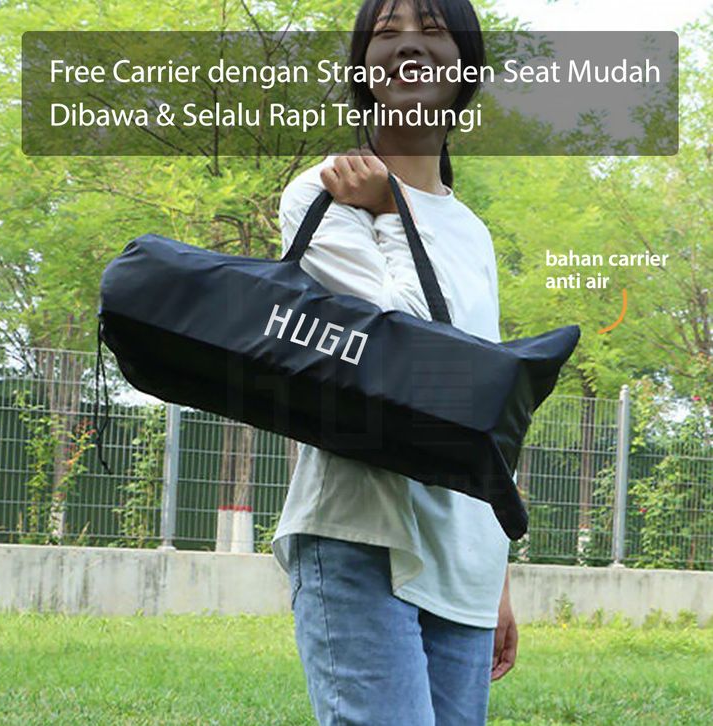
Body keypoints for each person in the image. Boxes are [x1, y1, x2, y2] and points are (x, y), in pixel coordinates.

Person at [271, 1, 518, 723]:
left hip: (464, 564)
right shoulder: (323, 193)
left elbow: (480, 402)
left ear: (466, 66)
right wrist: (386, 209)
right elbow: (401, 345)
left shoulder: (473, 233)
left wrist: (497, 571)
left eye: (432, 30)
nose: (410, 44)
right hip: (361, 537)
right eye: (387, 32)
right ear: (363, 68)